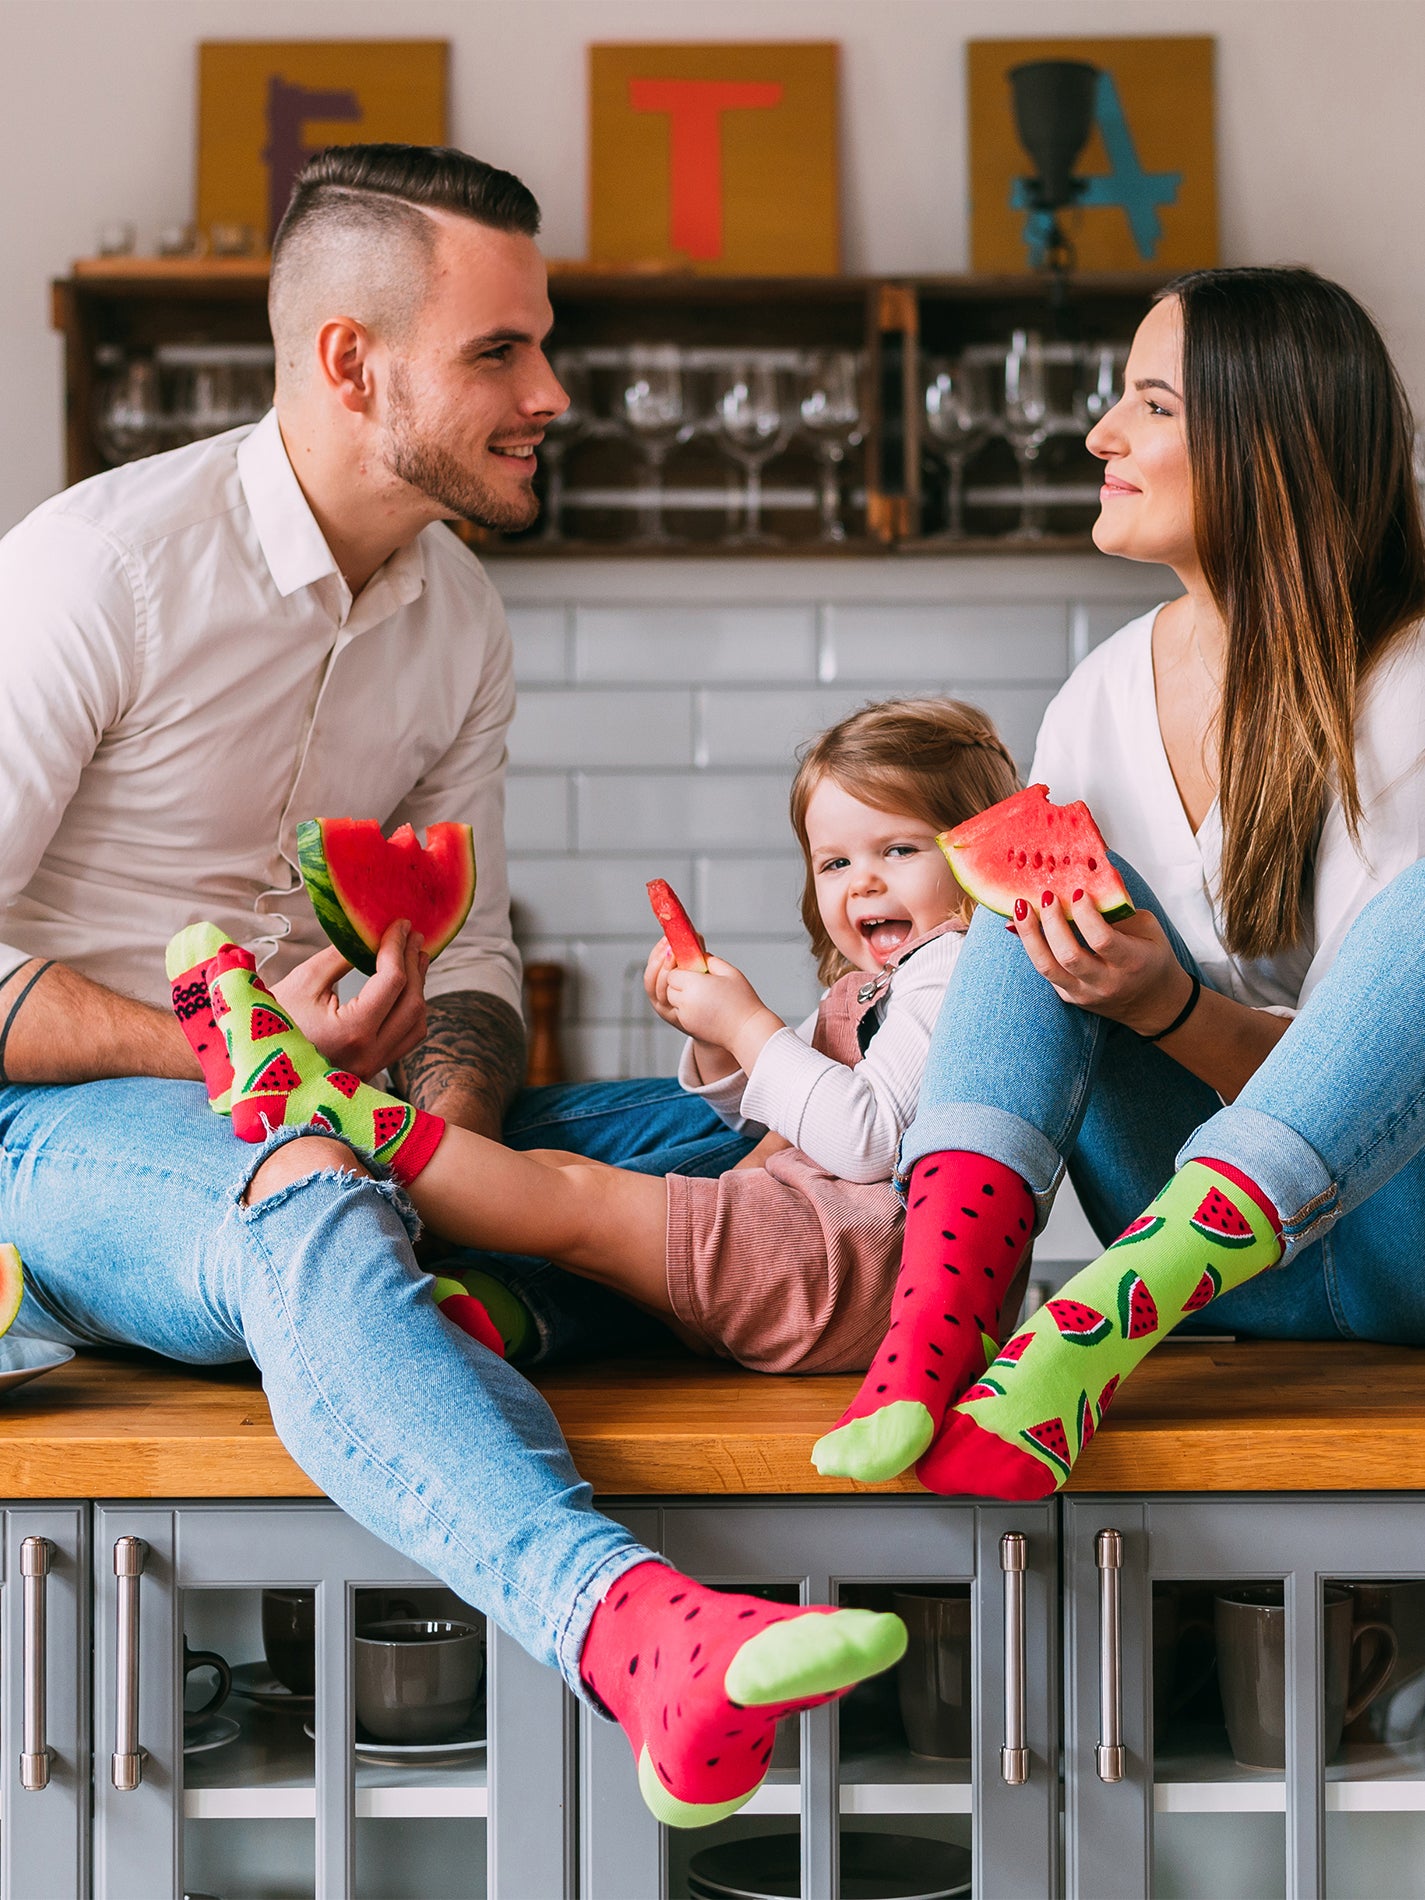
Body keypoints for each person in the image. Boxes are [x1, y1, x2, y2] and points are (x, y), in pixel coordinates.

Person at [0, 141, 905, 1829]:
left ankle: (447, 1299)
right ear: (352, 361)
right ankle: (628, 1626)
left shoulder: (456, 614)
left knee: (707, 1132)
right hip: (59, 1133)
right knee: (317, 1173)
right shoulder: (97, 569)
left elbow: (471, 959)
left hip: (327, 1118)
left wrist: (456, 1130)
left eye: (539, 344)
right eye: (502, 352)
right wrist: (251, 1076)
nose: (550, 391)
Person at [812, 265, 1425, 1496]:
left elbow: (1377, 1098)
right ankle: (930, 1346)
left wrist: (1169, 1010)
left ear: (1274, 438)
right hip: (1223, 1275)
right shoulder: (1099, 696)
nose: (1103, 433)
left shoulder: (1409, 686)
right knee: (1012, 889)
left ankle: (1076, 1341)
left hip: (1398, 1239)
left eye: (1152, 403)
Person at [160, 698, 1022, 1382]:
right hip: (815, 1262)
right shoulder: (883, 982)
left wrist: (748, 1027)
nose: (860, 879)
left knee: (574, 1198)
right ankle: (494, 1312)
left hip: (838, 1265)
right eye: (833, 862)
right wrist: (718, 1050)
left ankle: (321, 1099)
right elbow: (768, 1113)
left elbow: (867, 1138)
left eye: (898, 848)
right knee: (587, 1212)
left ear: (975, 854)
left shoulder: (956, 967)